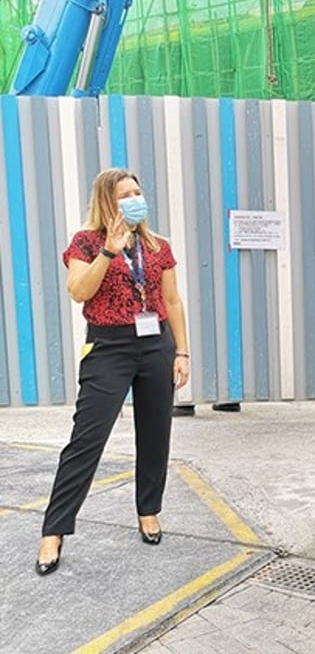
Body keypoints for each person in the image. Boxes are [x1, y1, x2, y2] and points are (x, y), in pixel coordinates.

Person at [35, 168, 190, 576]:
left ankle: (149, 511)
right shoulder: (84, 242)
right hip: (108, 346)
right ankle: (54, 530)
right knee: (87, 438)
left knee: (156, 434)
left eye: (138, 192)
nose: (135, 199)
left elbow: (172, 301)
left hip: (156, 343)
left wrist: (182, 352)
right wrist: (109, 250)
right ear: (107, 200)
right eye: (125, 194)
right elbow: (78, 292)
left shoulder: (158, 246)